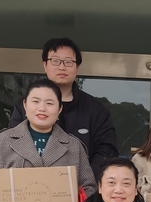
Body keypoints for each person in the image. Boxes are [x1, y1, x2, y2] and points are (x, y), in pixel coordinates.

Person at [9, 37, 118, 175]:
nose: (62, 67)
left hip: (81, 186)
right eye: (55, 61)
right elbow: (12, 145)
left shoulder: (96, 110)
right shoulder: (26, 105)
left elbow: (106, 152)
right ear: (45, 64)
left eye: (68, 62)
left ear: (77, 67)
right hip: (30, 183)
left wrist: (85, 181)